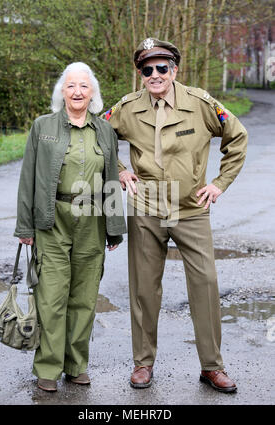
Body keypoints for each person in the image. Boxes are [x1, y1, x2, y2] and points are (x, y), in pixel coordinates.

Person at [104, 38, 248, 393]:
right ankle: (143, 363)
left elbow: (237, 137)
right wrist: (120, 169)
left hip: (190, 209)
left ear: (174, 70)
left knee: (206, 284)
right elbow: (98, 137)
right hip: (146, 208)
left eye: (162, 67)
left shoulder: (199, 103)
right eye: (147, 69)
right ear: (141, 74)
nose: (155, 74)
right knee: (144, 289)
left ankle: (211, 367)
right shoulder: (126, 107)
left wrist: (219, 183)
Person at [14, 62, 126, 392]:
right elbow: (28, 179)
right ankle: (47, 367)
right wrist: (25, 226)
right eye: (71, 86)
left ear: (93, 94)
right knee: (51, 296)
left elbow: (110, 179)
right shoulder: (43, 127)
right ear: (61, 91)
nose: (77, 92)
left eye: (84, 86)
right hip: (52, 219)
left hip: (92, 220)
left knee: (84, 296)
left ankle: (76, 365)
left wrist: (114, 227)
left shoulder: (104, 131)